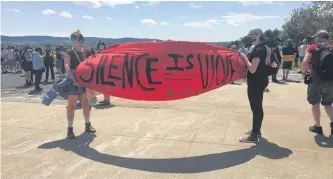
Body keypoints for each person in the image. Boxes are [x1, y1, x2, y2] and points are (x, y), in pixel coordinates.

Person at [239, 28, 275, 143]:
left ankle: (254, 135)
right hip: (262, 80)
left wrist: (243, 57)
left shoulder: (258, 49)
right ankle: (257, 130)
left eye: (252, 36)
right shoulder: (265, 48)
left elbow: (253, 69)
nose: (251, 39)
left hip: (256, 82)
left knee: (256, 108)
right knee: (257, 107)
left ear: (258, 36)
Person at [64, 29, 96, 139]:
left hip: (84, 81)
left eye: (77, 40)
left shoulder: (87, 52)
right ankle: (70, 129)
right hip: (73, 81)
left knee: (86, 104)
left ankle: (87, 124)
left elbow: (92, 65)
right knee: (72, 105)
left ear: (81, 40)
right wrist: (73, 78)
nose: (75, 42)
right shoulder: (69, 52)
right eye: (74, 40)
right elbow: (67, 67)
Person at [301, 30, 333, 137]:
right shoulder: (331, 47)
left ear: (319, 38)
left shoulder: (312, 48)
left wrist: (304, 73)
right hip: (330, 81)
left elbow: (305, 62)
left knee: (315, 105)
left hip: (315, 81)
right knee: (328, 105)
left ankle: (318, 127)